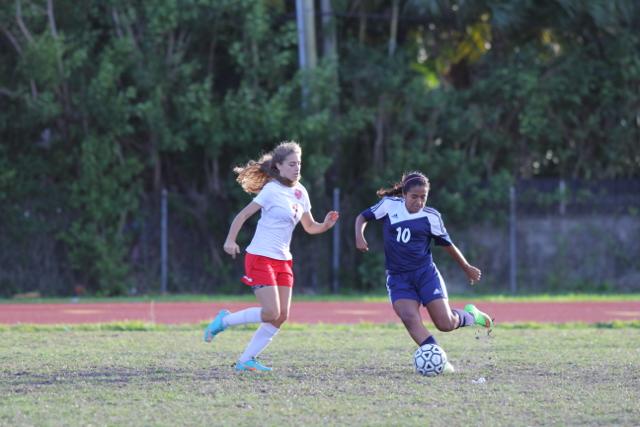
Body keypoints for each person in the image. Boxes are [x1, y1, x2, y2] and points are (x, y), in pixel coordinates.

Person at [204, 141, 339, 372]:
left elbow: (309, 226)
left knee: (281, 316)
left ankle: (246, 360)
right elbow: (242, 215)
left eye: (299, 163)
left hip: (283, 260)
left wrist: (325, 225)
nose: (297, 168)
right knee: (270, 312)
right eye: (292, 164)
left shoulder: (301, 192)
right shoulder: (271, 190)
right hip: (260, 256)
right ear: (278, 166)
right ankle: (223, 321)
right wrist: (230, 240)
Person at [354, 171, 493, 372]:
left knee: (445, 324)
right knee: (409, 318)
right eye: (414, 197)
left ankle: (472, 316)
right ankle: (439, 360)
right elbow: (362, 217)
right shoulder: (389, 205)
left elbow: (448, 245)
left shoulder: (431, 216)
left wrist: (467, 268)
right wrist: (359, 235)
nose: (419, 202)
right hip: (398, 278)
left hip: (425, 275)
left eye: (423, 197)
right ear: (404, 195)